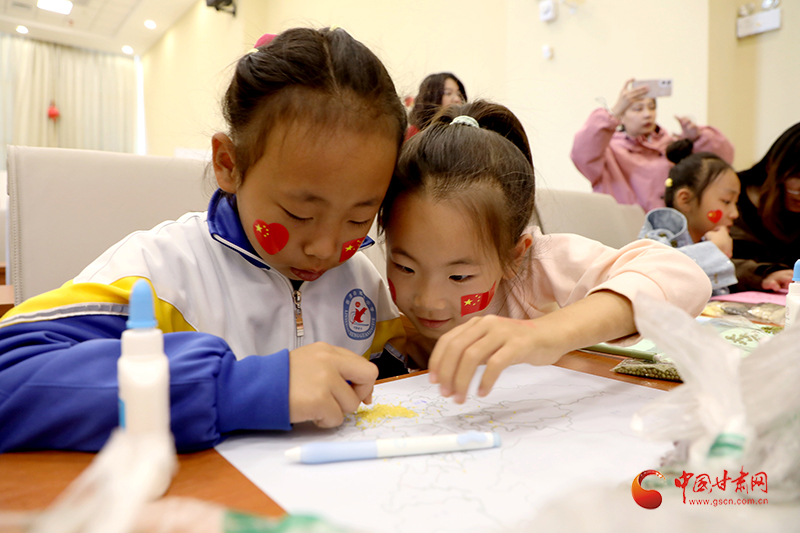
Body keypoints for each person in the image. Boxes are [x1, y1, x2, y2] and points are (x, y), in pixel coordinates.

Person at [0, 27, 408, 453]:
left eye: (358, 219)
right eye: (299, 214)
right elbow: (9, 374)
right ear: (228, 164)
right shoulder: (160, 275)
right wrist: (240, 388)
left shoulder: (364, 283)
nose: (325, 249)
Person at [379, 100, 712, 403]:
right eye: (405, 267)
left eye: (459, 276)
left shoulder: (534, 265)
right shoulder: (368, 298)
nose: (429, 300)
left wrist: (544, 335)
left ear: (514, 256)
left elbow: (683, 275)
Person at [571, 78, 734, 212]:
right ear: (622, 116)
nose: (647, 114)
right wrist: (613, 111)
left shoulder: (672, 147)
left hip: (672, 233)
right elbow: (581, 153)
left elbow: (722, 163)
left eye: (652, 107)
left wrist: (698, 138)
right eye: (637, 109)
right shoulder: (608, 152)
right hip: (625, 233)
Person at [638, 139, 740, 295]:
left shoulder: (704, 239)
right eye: (726, 201)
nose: (735, 214)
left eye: (735, 203)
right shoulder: (657, 237)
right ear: (685, 199)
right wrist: (713, 250)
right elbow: (658, 274)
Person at [731, 122, 800, 292]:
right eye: (797, 176)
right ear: (773, 166)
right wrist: (763, 274)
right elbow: (705, 263)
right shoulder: (731, 197)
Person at [406, 72, 467, 140]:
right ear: (431, 98)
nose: (457, 99)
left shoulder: (466, 131)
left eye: (459, 94)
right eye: (448, 93)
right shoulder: (415, 134)